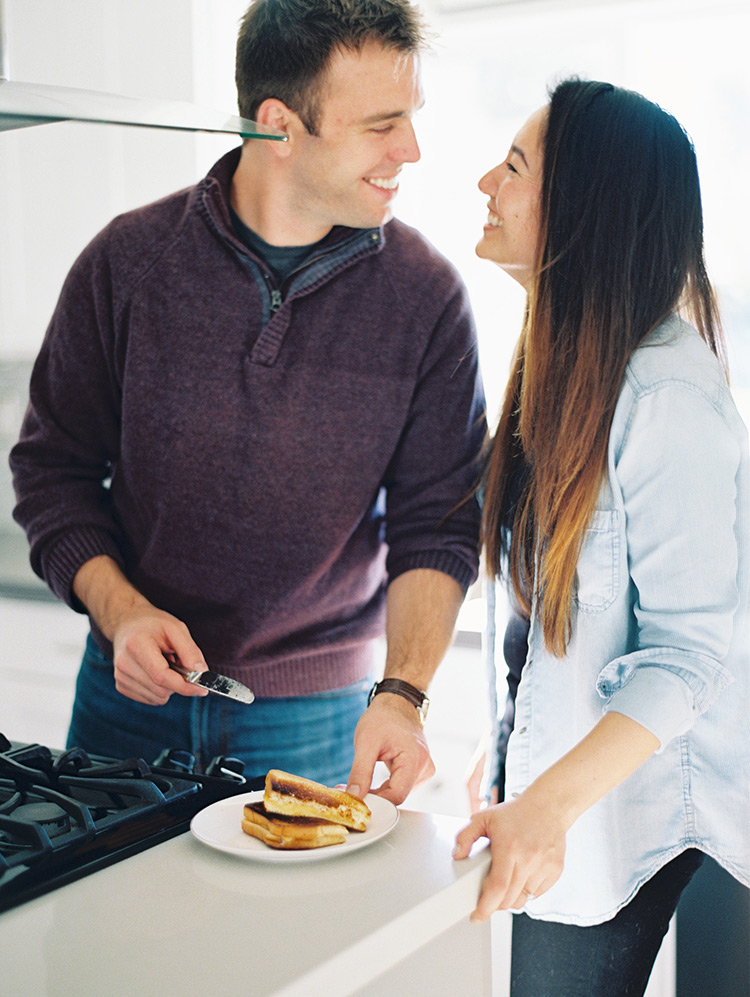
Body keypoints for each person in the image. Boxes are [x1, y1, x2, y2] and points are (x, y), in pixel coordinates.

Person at [9, 0, 485, 802]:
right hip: (125, 698)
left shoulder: (426, 297)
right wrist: (121, 612)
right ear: (277, 123)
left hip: (321, 715)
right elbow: (51, 475)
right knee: (111, 930)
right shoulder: (126, 262)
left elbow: (437, 524)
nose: (411, 149)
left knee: (303, 933)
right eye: (380, 124)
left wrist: (402, 694)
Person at [452, 78, 750, 996]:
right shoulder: (564, 360)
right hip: (589, 788)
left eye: (513, 167)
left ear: (586, 205)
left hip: (689, 790)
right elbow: (555, 618)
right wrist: (512, 745)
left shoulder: (666, 394)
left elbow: (686, 656)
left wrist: (545, 801)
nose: (482, 184)